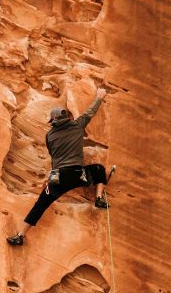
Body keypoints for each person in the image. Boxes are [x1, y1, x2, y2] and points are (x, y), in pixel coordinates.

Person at [7, 87, 111, 246]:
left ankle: (20, 235)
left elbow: (52, 153)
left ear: (53, 121)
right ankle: (98, 199)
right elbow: (90, 112)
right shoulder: (77, 126)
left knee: (40, 205)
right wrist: (99, 96)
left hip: (57, 178)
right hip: (77, 174)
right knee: (99, 170)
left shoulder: (50, 135)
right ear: (66, 118)